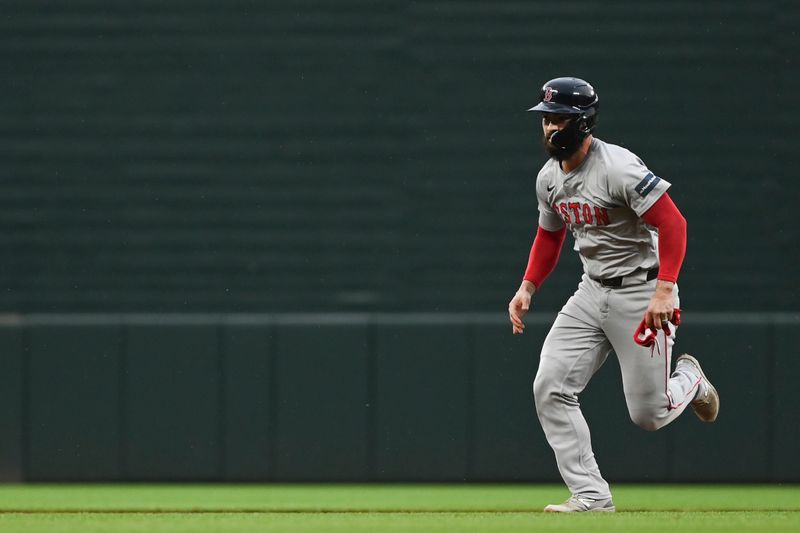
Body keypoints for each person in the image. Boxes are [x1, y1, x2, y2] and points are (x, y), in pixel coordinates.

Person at [507, 77, 720, 513]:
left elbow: (674, 224)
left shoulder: (618, 167)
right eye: (546, 119)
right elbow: (549, 238)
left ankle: (691, 380)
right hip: (590, 291)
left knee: (650, 415)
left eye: (559, 119)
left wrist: (665, 289)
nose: (550, 128)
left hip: (643, 292)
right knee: (549, 385)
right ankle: (591, 494)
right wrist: (528, 286)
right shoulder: (548, 178)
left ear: (583, 123)